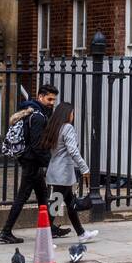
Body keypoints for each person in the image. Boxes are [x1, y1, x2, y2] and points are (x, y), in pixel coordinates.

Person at [0, 84, 67, 245]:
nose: (52, 102)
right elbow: (37, 145)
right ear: (40, 97)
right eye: (49, 99)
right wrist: (50, 163)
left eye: (54, 100)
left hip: (31, 162)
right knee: (22, 197)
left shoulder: (33, 112)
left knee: (43, 195)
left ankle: (50, 227)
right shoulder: (38, 117)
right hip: (32, 163)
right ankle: (6, 231)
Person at [43, 102, 97, 242]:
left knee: (70, 204)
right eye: (72, 113)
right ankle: (44, 239)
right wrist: (84, 168)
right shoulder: (67, 128)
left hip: (56, 172)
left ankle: (81, 233)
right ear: (67, 114)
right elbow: (73, 151)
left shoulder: (54, 127)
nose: (73, 116)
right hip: (62, 174)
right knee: (54, 207)